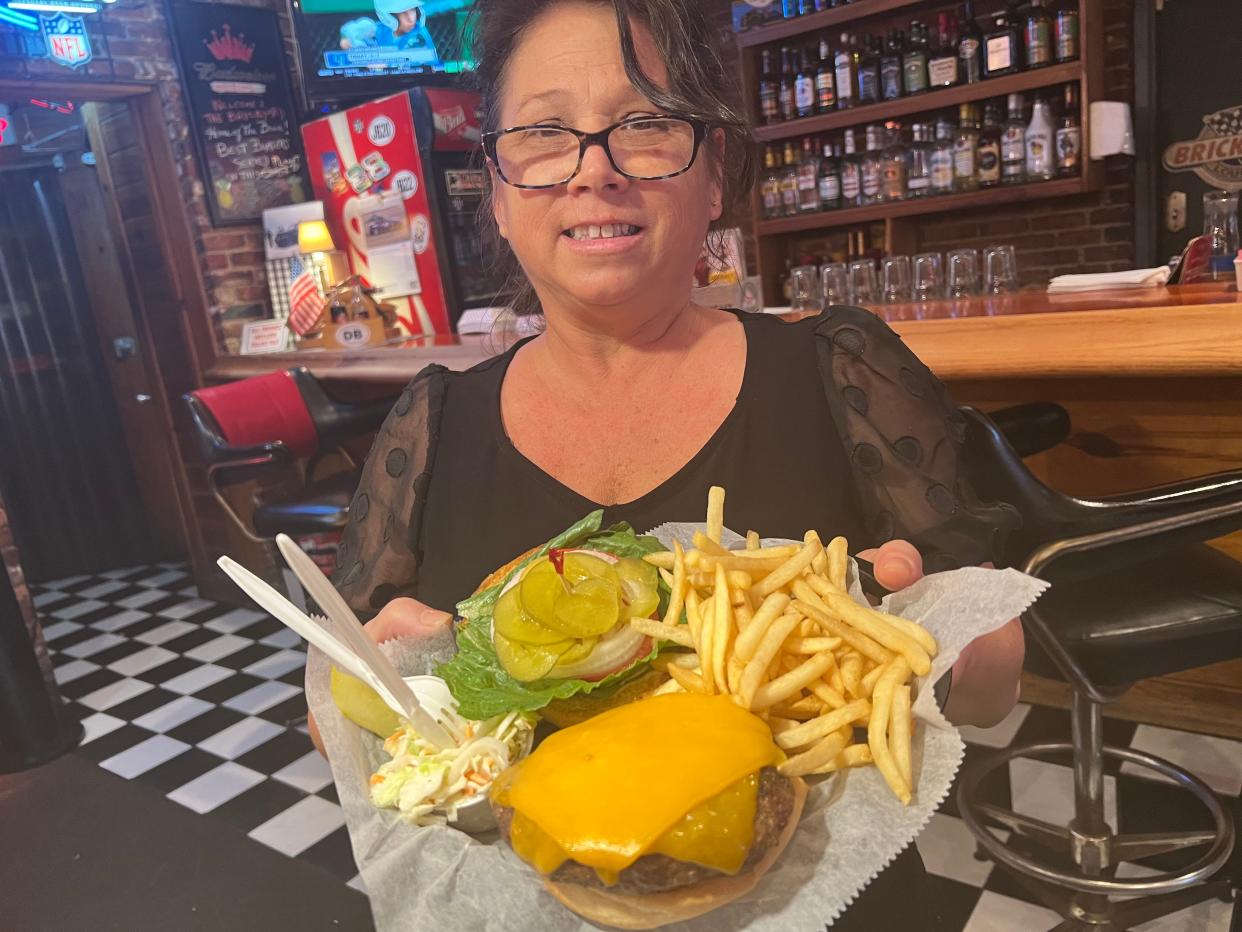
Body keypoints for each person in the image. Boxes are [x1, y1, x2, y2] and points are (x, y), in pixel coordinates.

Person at [311, 1, 1026, 927]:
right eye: (542, 133)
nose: (593, 171)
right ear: (495, 185)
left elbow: (989, 693)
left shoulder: (841, 370)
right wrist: (382, 686)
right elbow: (341, 726)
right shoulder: (431, 426)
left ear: (715, 171)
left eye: (644, 125)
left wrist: (968, 640)